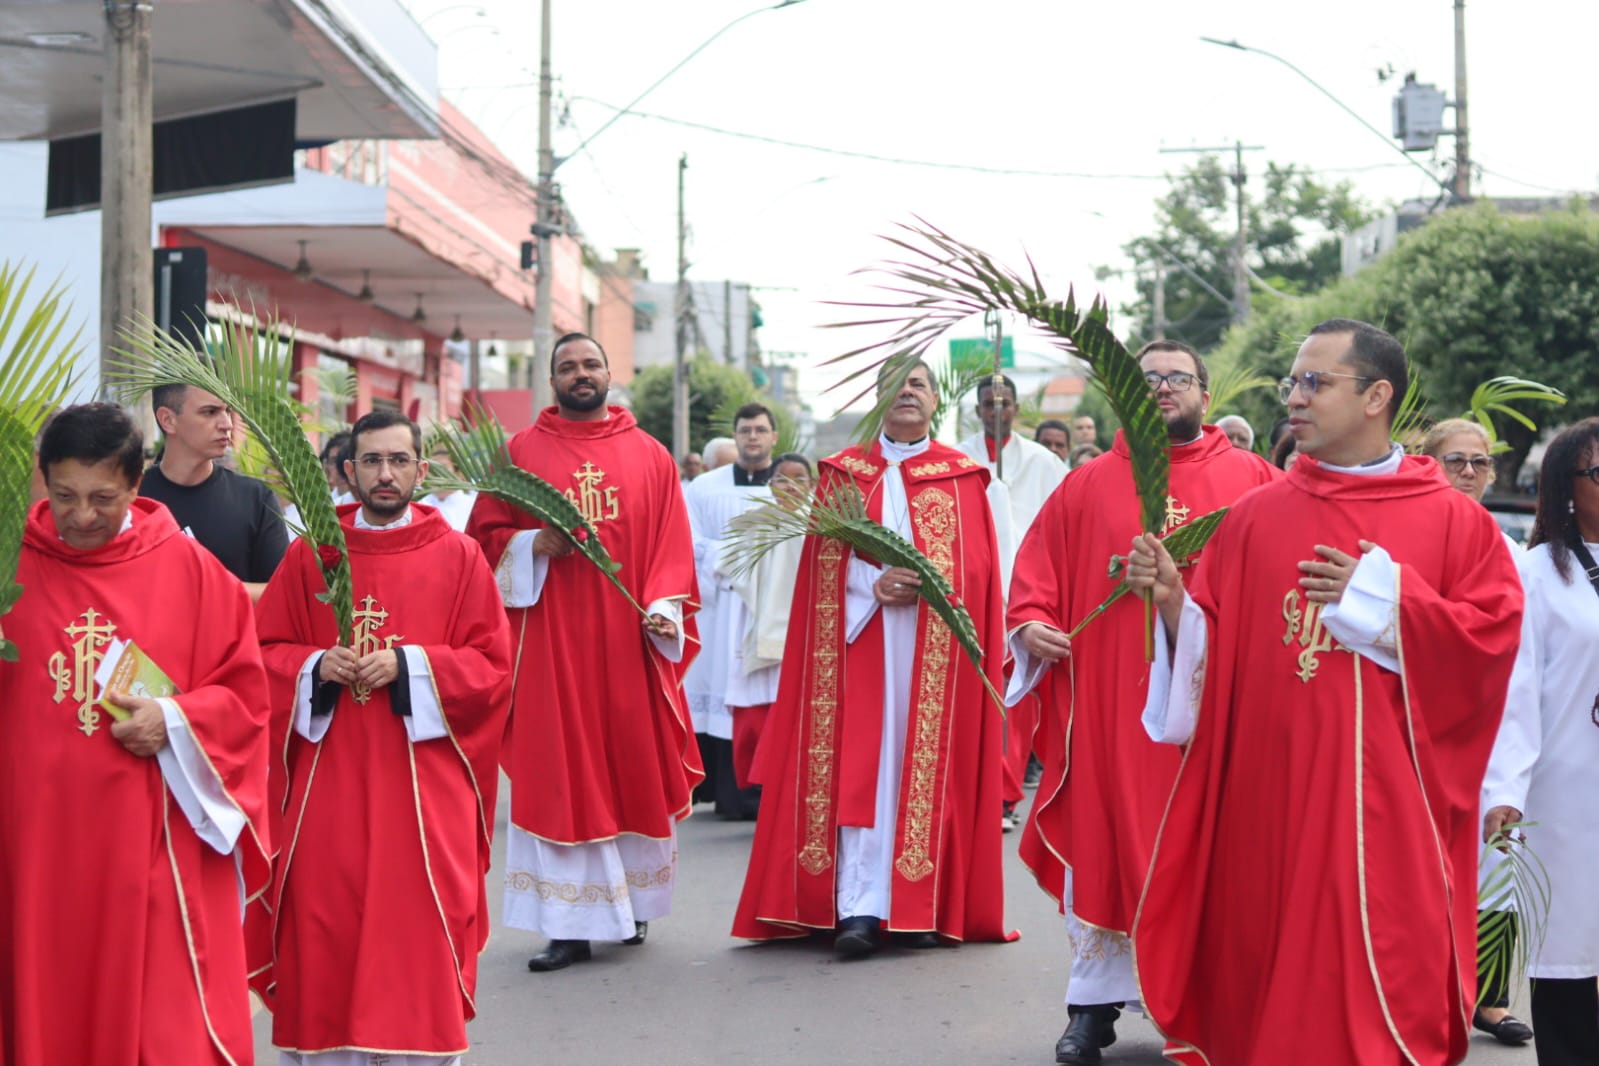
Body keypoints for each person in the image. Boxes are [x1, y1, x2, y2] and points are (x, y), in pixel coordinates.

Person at [1126, 319, 1524, 1065]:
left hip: (1388, 807)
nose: (1296, 399)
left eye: (1315, 383)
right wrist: (1177, 603)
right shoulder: (1252, 518)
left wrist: (1384, 601)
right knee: (1271, 983)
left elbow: (1490, 642)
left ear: (1376, 396)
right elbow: (1214, 658)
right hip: (1268, 804)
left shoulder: (1450, 520)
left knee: (1383, 984)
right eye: (1292, 384)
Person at [1006, 340, 1279, 1064]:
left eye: (1176, 378)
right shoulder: (1086, 485)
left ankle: (1211, 1006)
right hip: (1109, 714)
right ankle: (1091, 1008)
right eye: (1146, 378)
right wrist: (1030, 624)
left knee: (1216, 856)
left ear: (1205, 393)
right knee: (1106, 848)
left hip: (1217, 713)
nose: (1161, 388)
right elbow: (1034, 578)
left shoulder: (1254, 481)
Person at [0, 403, 271, 1065]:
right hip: (29, 854)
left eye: (103, 498)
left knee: (160, 1032)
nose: (82, 515)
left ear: (136, 483)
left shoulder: (195, 576)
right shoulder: (8, 569)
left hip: (149, 852)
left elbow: (246, 701)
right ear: (42, 477)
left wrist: (175, 719)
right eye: (65, 496)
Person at [253, 410, 512, 1065]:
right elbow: (259, 655)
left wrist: (413, 664)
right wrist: (314, 665)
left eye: (399, 461)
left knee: (417, 925)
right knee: (323, 921)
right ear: (348, 471)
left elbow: (490, 669)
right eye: (371, 461)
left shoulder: (458, 557)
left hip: (421, 789)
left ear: (422, 471)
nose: (386, 474)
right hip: (328, 785)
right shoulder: (312, 553)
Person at [733, 359, 1011, 956]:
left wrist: (939, 586)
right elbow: (818, 574)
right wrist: (873, 589)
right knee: (863, 768)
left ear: (936, 401)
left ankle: (926, 901)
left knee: (925, 769)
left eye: (918, 384)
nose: (907, 393)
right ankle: (859, 905)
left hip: (933, 657)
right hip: (859, 648)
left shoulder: (964, 479)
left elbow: (982, 574)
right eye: (896, 384)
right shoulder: (842, 477)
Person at [465, 332, 702, 973]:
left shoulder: (651, 456)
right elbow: (480, 543)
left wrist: (663, 606)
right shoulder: (517, 454)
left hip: (626, 642)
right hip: (550, 645)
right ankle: (567, 923)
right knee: (559, 771)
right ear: (552, 382)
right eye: (567, 367)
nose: (580, 374)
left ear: (608, 374)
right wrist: (529, 547)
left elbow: (672, 548)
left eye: (590, 364)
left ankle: (631, 906)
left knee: (629, 765)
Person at [1482, 418, 1599, 1066]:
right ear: (1564, 490)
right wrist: (1503, 790)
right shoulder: (1534, 576)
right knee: (1569, 949)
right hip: (1567, 797)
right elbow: (1514, 695)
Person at [1419, 418, 1534, 1047]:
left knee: (1499, 865)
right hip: (1428, 728)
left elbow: (1527, 657)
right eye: (1455, 460)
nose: (1468, 472)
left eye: (1479, 463)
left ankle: (1487, 998)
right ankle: (1430, 991)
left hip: (1498, 727)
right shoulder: (1407, 541)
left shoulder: (1516, 554)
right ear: (1427, 464)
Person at [956, 374, 1068, 830]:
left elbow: (1062, 523)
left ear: (1017, 408)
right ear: (978, 409)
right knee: (972, 693)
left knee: (1016, 700)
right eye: (988, 403)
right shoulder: (955, 457)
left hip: (1024, 591)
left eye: (1004, 402)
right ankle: (972, 789)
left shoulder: (1042, 462)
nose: (996, 410)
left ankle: (1003, 794)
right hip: (968, 588)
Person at [683, 402, 780, 820]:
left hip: (774, 609)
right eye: (745, 430)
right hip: (723, 608)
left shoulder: (791, 484)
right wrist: (736, 558)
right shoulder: (705, 489)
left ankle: (772, 791)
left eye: (760, 430)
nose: (752, 437)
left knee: (769, 697)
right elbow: (689, 542)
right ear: (736, 436)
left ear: (774, 437)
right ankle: (729, 792)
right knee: (725, 689)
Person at [138, 383, 289, 600]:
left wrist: (205, 585)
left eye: (227, 411)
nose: (226, 424)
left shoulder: (255, 498)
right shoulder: (131, 497)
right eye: (209, 412)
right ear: (168, 420)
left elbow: (281, 592)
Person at [722, 452, 815, 793]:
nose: (790, 486)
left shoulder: (820, 525)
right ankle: (765, 789)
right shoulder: (753, 522)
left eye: (798, 479)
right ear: (770, 484)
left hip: (807, 635)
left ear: (812, 485)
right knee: (762, 713)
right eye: (781, 479)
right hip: (760, 628)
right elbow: (730, 570)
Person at [418, 448, 480, 532]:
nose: (436, 474)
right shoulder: (419, 505)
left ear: (458, 473)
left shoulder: (474, 506)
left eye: (443, 467)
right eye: (432, 469)